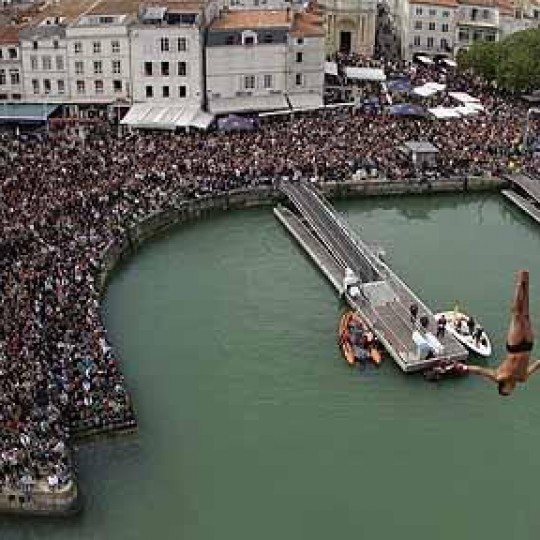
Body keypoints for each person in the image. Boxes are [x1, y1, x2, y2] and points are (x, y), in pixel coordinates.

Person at [467, 270, 540, 396]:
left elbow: (479, 370)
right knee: (526, 315)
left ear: (502, 386)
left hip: (514, 347)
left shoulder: (498, 376)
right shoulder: (522, 378)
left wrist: (463, 367)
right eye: (510, 391)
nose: (511, 389)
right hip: (528, 346)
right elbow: (538, 364)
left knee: (517, 315)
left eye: (507, 390)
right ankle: (525, 283)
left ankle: (519, 283)